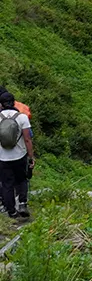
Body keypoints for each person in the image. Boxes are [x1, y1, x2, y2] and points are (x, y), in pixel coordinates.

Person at [0, 91, 34, 219]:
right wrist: (31, 157)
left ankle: (11, 211)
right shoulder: (22, 117)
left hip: (2, 157)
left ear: (1, 105)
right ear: (14, 103)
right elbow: (27, 139)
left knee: (6, 184)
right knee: (21, 180)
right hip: (20, 155)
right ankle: (22, 204)